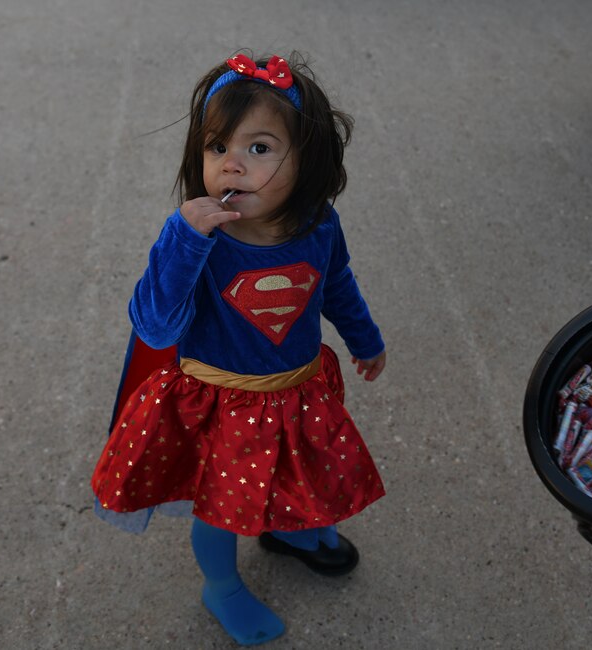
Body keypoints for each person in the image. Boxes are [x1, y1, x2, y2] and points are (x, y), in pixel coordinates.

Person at [90, 51, 387, 646]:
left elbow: (336, 285)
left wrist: (364, 337)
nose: (231, 165)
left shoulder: (320, 224)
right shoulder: (202, 240)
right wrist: (182, 241)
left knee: (301, 465)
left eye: (259, 148)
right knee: (221, 503)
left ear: (308, 161)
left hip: (296, 385)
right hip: (220, 402)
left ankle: (292, 531)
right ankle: (221, 584)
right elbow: (153, 324)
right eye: (216, 147)